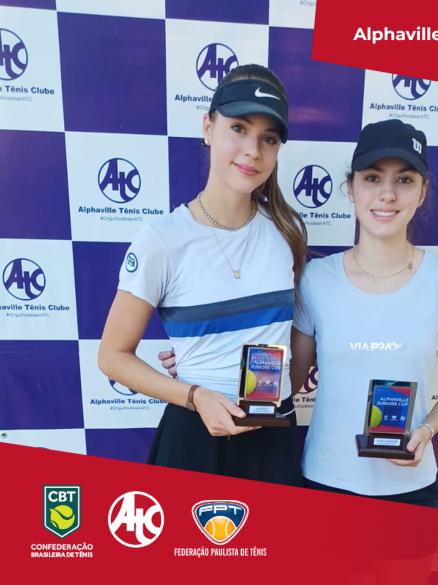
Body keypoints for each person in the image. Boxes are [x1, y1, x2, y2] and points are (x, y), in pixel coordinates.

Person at [98, 64, 307, 486]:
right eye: (239, 128)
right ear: (208, 127)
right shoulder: (162, 239)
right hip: (195, 438)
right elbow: (112, 356)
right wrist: (195, 393)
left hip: (274, 438)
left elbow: (291, 341)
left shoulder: (288, 231)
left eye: (268, 138)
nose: (253, 150)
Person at [289, 119, 438, 507]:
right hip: (326, 481)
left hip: (410, 488)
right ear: (350, 188)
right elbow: (289, 382)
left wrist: (426, 430)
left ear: (422, 191)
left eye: (404, 180)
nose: (387, 194)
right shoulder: (315, 279)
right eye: (372, 178)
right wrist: (204, 367)